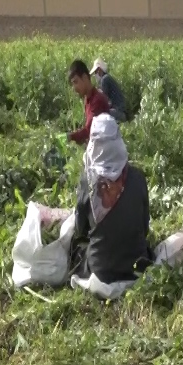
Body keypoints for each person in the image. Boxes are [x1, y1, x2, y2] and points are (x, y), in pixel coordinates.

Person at [71, 114, 154, 285]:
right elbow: (144, 227)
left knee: (75, 250)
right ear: (118, 143)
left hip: (100, 269)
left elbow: (80, 229)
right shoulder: (137, 178)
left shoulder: (88, 182)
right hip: (136, 265)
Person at [67, 60, 111, 146]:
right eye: (73, 84)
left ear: (84, 78)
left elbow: (89, 131)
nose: (74, 88)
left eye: (76, 82)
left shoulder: (98, 100)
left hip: (104, 152)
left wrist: (70, 137)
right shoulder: (88, 98)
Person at [90, 58, 128, 123]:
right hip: (120, 112)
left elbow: (103, 100)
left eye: (95, 72)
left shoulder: (105, 79)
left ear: (99, 70)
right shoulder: (107, 78)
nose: (95, 74)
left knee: (99, 115)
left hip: (118, 113)